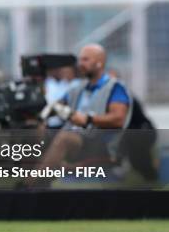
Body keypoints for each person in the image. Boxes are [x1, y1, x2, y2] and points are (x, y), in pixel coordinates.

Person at [30, 44, 131, 182]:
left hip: (99, 142)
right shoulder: (78, 88)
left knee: (65, 138)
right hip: (76, 138)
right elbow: (57, 105)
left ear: (99, 63)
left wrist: (88, 119)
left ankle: (31, 184)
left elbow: (118, 119)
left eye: (86, 60)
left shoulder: (115, 88)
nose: (80, 64)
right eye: (80, 60)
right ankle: (36, 178)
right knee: (35, 130)